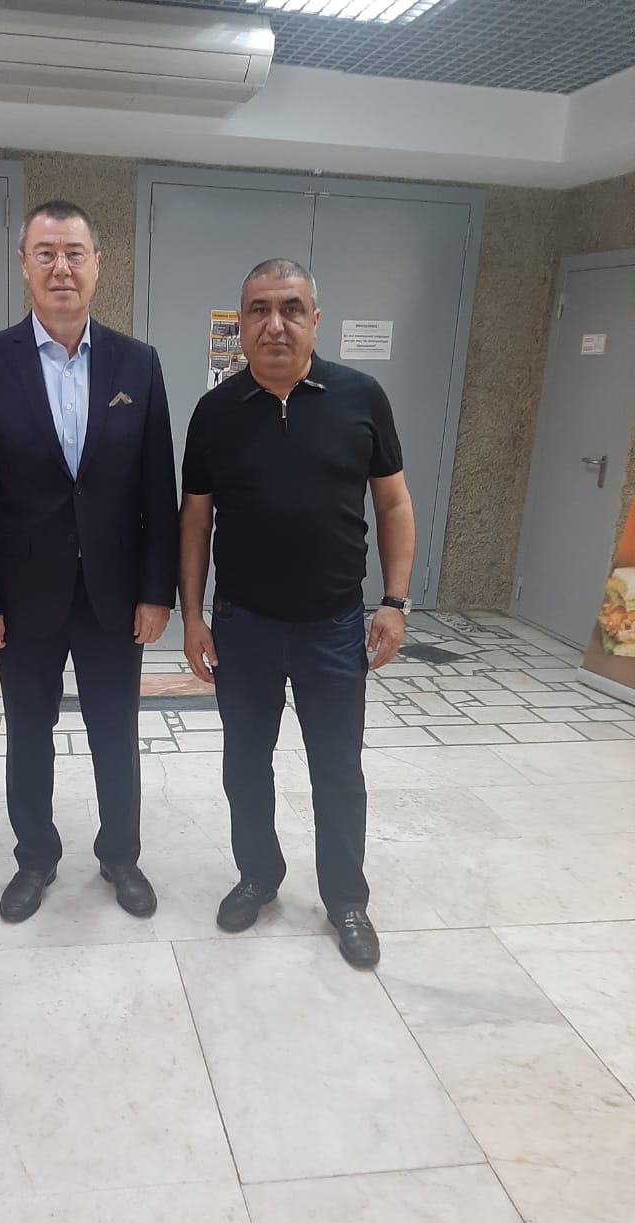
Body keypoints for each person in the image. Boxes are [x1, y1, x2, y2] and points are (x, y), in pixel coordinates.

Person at [179, 258, 415, 968]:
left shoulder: (361, 398)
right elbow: (194, 521)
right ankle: (258, 875)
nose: (275, 324)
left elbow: (393, 503)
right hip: (243, 628)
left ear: (316, 318)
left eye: (290, 308)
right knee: (245, 765)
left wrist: (395, 601)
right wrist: (193, 616)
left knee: (338, 771)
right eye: (259, 309)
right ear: (241, 323)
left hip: (333, 628)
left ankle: (346, 899)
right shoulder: (216, 412)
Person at [0, 200, 178, 923]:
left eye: (74, 253)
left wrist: (157, 592)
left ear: (97, 265)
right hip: (21, 598)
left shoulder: (138, 364)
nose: (61, 267)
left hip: (115, 594)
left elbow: (157, 490)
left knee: (116, 731)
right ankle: (35, 858)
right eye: (45, 253)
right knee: (29, 734)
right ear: (24, 264)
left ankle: (121, 855)